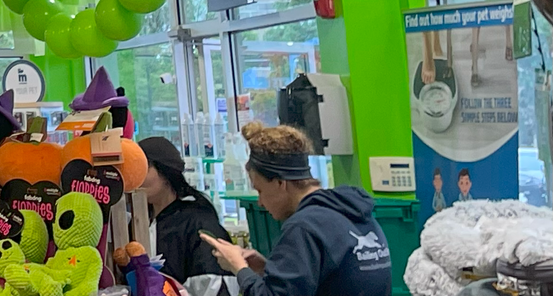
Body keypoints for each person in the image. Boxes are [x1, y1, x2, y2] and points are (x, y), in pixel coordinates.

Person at [202, 123, 392, 296]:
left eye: (260, 190)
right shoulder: (353, 212)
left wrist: (240, 269)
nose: (260, 202)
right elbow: (338, 281)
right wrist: (268, 268)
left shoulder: (305, 227)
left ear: (280, 183)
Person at [137, 136, 228, 283]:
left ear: (166, 171)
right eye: (134, 169)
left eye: (144, 167)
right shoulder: (137, 220)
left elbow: (212, 284)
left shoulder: (197, 220)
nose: (137, 177)